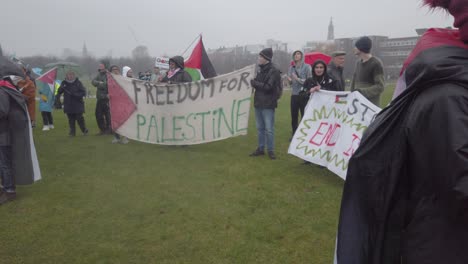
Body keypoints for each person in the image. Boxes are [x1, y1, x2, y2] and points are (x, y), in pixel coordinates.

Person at [335, 1, 468, 263]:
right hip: (441, 244)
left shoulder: (376, 64)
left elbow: (377, 85)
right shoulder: (449, 98)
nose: (353, 52)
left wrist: (362, 94)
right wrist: (354, 94)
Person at [0, 57, 39, 204]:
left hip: (4, 133)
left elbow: (2, 111)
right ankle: (5, 187)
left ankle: (9, 190)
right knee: (3, 162)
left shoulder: (2, 89)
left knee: (5, 163)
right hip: (6, 132)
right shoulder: (7, 88)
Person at [249, 48, 282, 160]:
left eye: (260, 57)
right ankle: (261, 148)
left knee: (269, 129)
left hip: (268, 104)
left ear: (266, 58)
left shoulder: (274, 71)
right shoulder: (260, 69)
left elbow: (268, 87)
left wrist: (254, 83)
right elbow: (260, 86)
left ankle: (271, 150)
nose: (259, 58)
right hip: (258, 103)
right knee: (260, 128)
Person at [350, 36, 385, 106]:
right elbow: (354, 82)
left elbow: (380, 86)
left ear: (361, 48)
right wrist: (351, 94)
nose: (354, 49)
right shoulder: (358, 63)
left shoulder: (376, 63)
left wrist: (361, 92)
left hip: (370, 106)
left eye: (356, 47)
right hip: (358, 104)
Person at [55, 71, 88, 137]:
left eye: (71, 75)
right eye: (68, 75)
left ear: (74, 75)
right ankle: (72, 132)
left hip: (78, 104)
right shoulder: (64, 83)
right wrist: (61, 87)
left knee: (79, 118)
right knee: (71, 119)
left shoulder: (78, 83)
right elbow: (59, 92)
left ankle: (84, 129)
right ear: (66, 76)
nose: (70, 76)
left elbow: (83, 92)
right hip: (68, 104)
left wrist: (76, 95)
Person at [288, 50, 312, 136]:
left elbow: (309, 81)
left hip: (303, 95)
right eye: (295, 54)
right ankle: (294, 134)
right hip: (294, 95)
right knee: (294, 116)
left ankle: (304, 134)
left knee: (304, 115)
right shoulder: (291, 68)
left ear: (302, 56)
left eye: (298, 54)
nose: (296, 55)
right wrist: (290, 81)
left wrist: (297, 79)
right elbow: (291, 84)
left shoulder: (307, 67)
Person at [92, 62, 111, 135]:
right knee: (98, 114)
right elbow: (93, 81)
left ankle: (109, 129)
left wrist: (99, 84)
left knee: (108, 115)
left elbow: (106, 85)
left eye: (101, 66)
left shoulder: (108, 75)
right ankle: (102, 129)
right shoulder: (99, 74)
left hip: (106, 98)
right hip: (99, 98)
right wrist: (100, 83)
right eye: (100, 66)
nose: (100, 67)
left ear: (105, 67)